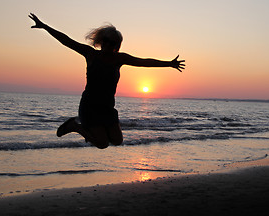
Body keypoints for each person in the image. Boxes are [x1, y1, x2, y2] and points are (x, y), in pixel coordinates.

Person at [29, 13, 185, 149]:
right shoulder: (91, 54)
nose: (108, 45)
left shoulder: (119, 59)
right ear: (101, 41)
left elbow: (144, 62)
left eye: (113, 43)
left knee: (117, 141)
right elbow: (66, 40)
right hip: (90, 106)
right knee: (102, 144)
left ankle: (83, 129)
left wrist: (169, 63)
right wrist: (44, 26)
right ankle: (74, 126)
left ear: (116, 46)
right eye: (106, 41)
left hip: (107, 107)